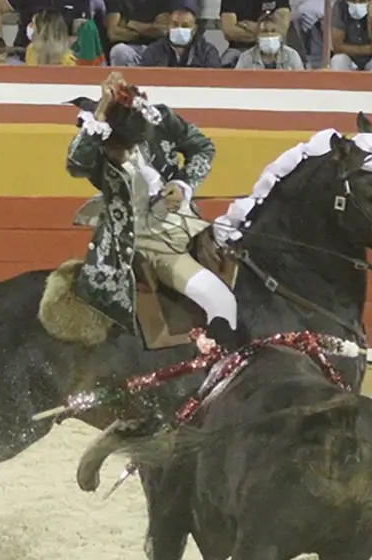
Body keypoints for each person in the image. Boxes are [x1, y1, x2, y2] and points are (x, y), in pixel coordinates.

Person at [65, 73, 240, 351]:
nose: (122, 153)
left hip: (186, 226)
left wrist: (183, 185)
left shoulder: (161, 119)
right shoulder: (95, 137)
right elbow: (75, 164)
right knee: (220, 299)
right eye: (116, 147)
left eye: (128, 145)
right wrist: (100, 111)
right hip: (142, 243)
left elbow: (203, 148)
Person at [139, 0, 220, 66]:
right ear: (168, 26)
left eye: (185, 26)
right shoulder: (153, 52)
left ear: (194, 29)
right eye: (175, 24)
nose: (179, 29)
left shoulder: (208, 53)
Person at [329, 0, 372, 72]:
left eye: (361, 1)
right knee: (338, 60)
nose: (356, 3)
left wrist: (371, 19)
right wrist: (371, 49)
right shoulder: (340, 4)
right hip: (351, 59)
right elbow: (337, 46)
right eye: (353, 1)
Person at [220, 0, 290, 67]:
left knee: (291, 59)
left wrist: (249, 26)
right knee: (226, 62)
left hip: (276, 50)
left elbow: (282, 30)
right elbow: (229, 32)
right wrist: (266, 33)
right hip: (239, 49)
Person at [105, 0, 171, 66]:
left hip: (157, 49)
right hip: (129, 50)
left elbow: (163, 30)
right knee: (118, 51)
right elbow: (113, 34)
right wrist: (149, 29)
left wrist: (130, 24)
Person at [235, 9, 304, 68]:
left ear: (280, 35)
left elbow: (301, 82)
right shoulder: (246, 58)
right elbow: (237, 82)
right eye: (265, 31)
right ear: (257, 36)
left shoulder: (291, 55)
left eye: (273, 31)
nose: (269, 35)